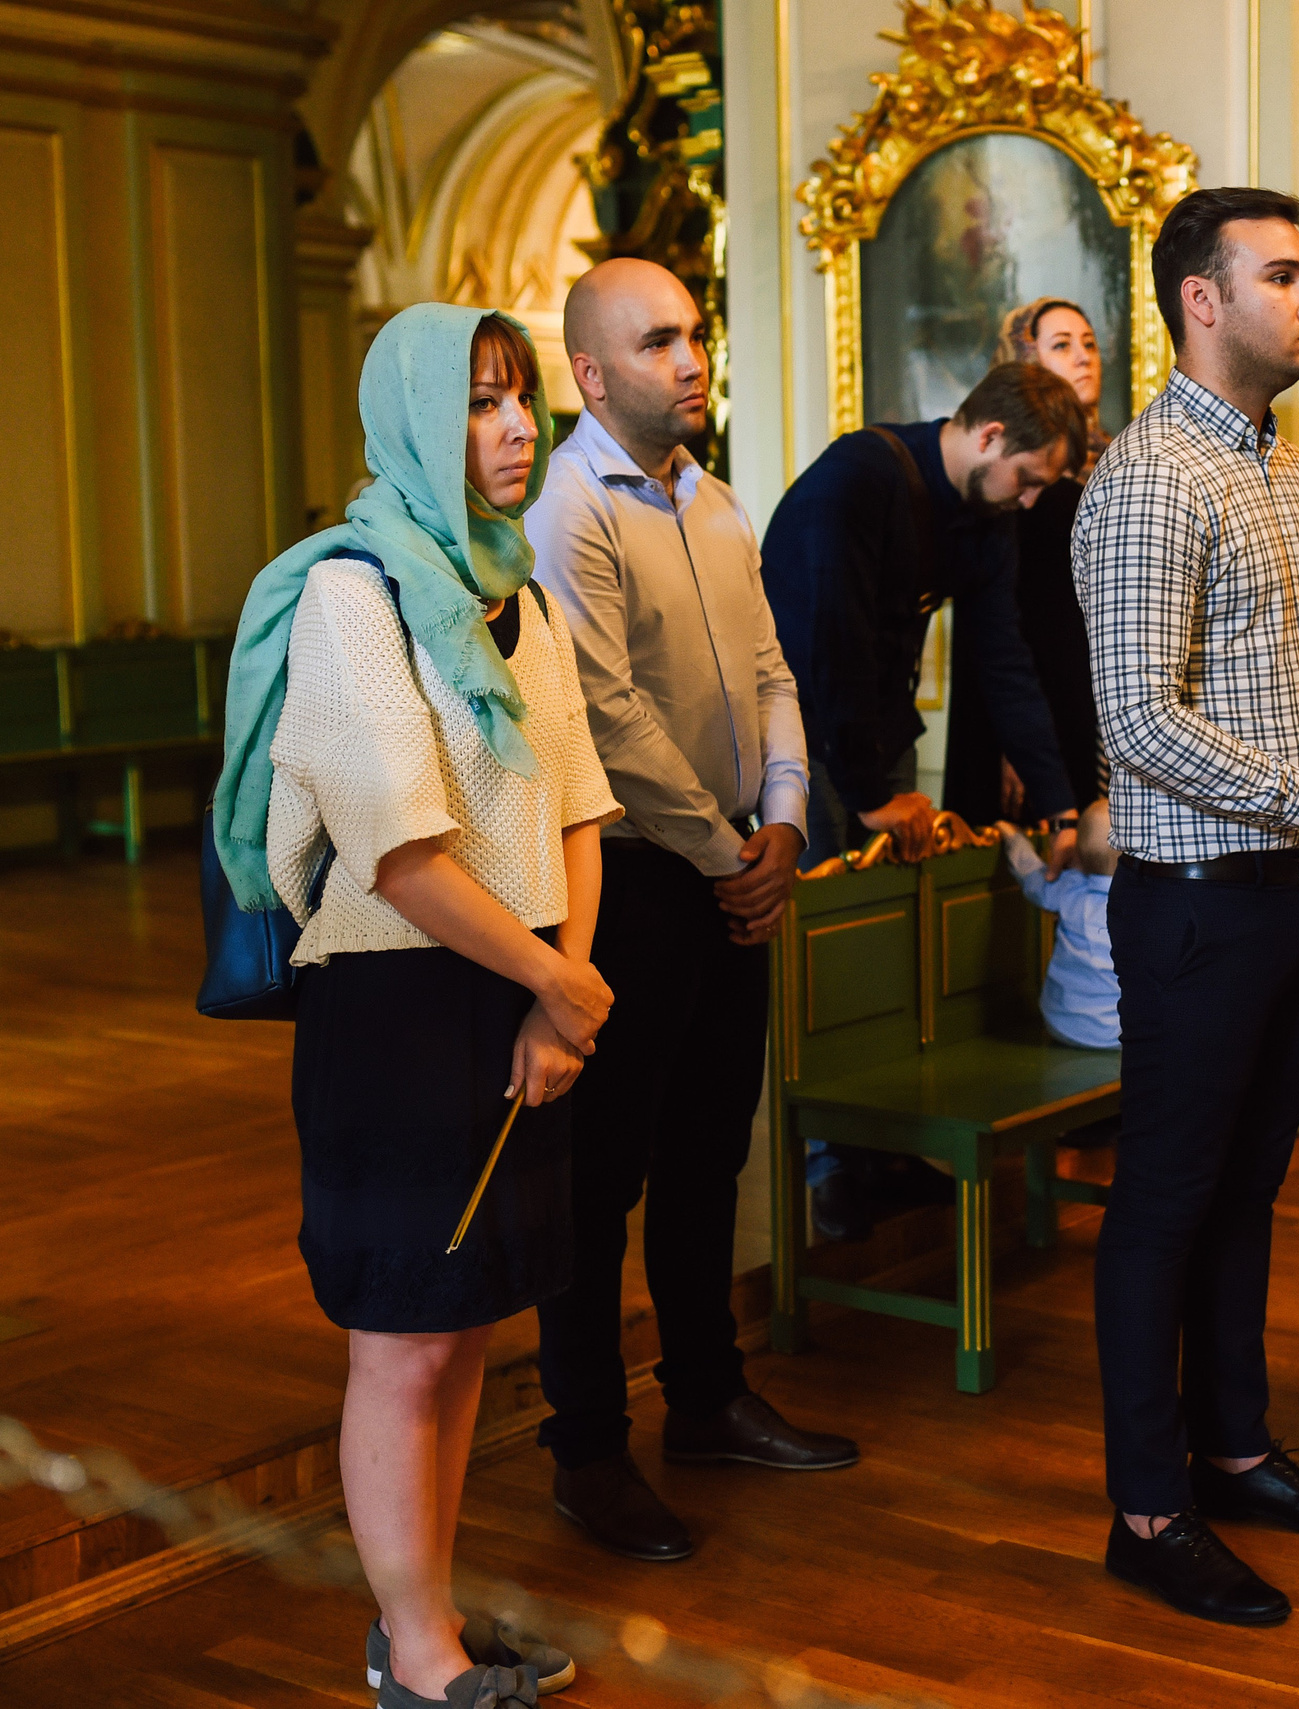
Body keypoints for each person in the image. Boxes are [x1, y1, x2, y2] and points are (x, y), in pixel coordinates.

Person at [212, 302, 618, 1709]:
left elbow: (576, 803)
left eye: (522, 402)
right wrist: (559, 984)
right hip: (397, 1002)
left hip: (520, 993)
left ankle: (422, 1616)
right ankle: (418, 1661)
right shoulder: (350, 592)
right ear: (410, 420)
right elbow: (396, 850)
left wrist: (560, 1000)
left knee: (467, 1327)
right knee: (401, 1333)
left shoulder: (524, 594)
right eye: (480, 402)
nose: (514, 430)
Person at [1072, 186, 1299, 1628]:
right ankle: (1147, 1508)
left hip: (1298, 905)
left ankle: (1232, 1452)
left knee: (1245, 1195)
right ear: (1201, 300)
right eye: (1284, 276)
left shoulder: (1281, 475)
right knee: (1163, 1205)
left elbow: (1288, 695)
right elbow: (1138, 724)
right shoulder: (1152, 475)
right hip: (1198, 909)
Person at [523, 259, 858, 1570]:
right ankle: (587, 1452)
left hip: (733, 861)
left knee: (714, 1148)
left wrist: (781, 819)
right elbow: (610, 717)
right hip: (635, 883)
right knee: (600, 1182)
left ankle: (707, 1397)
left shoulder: (713, 499)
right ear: (593, 375)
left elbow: (773, 672)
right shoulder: (570, 510)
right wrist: (729, 849)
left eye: (696, 335)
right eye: (659, 341)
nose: (692, 357)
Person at [762, 361, 1086, 1239]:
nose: (1028, 502)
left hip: (873, 733)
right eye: (1027, 479)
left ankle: (885, 1151)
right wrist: (870, 798)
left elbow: (1004, 657)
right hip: (803, 735)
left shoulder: (984, 514)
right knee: (837, 942)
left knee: (890, 938)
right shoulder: (858, 479)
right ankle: (834, 1167)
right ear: (987, 437)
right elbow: (826, 645)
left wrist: (1057, 801)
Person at [944, 298, 1113, 823]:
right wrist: (1010, 743)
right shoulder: (999, 481)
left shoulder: (1117, 462)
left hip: (1090, 699)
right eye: (1061, 345)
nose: (1083, 356)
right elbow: (994, 629)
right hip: (1026, 697)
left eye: (1089, 343)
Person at [998, 797, 1119, 1050]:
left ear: (1077, 852)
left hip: (1062, 1025)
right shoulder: (1145, 901)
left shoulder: (1067, 887)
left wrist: (1013, 838)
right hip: (1120, 1033)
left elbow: (1028, 872)